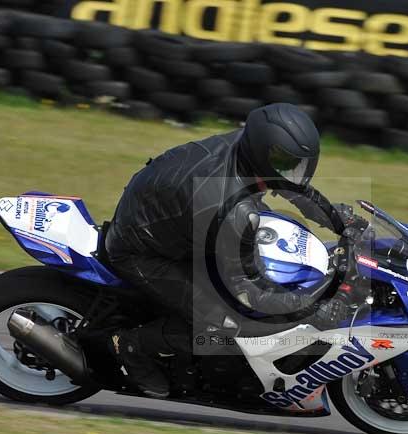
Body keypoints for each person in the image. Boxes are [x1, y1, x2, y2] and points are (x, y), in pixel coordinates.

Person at [104, 103, 362, 398]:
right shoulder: (233, 209)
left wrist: (339, 219)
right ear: (263, 154)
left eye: (300, 164)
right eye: (288, 163)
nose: (296, 172)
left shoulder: (246, 149)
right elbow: (247, 293)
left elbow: (290, 186)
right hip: (143, 250)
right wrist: (313, 307)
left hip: (165, 213)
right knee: (224, 323)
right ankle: (131, 346)